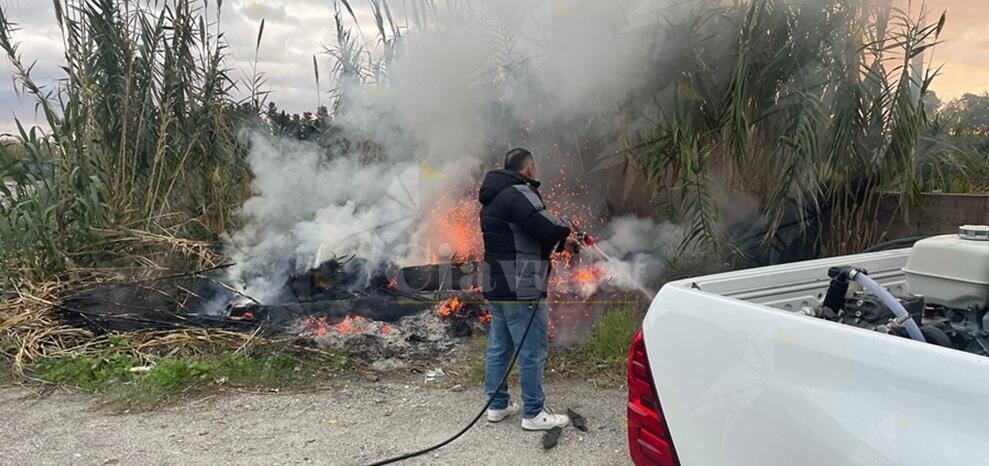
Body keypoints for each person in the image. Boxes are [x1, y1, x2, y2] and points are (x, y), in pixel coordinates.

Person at [477, 147, 579, 430]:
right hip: (522, 286)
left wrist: (562, 243)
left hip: (498, 283)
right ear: (529, 168)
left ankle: (497, 406)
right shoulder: (518, 192)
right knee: (532, 349)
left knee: (500, 346)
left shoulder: (493, 198)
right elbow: (544, 225)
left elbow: (523, 234)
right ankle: (534, 413)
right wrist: (568, 226)